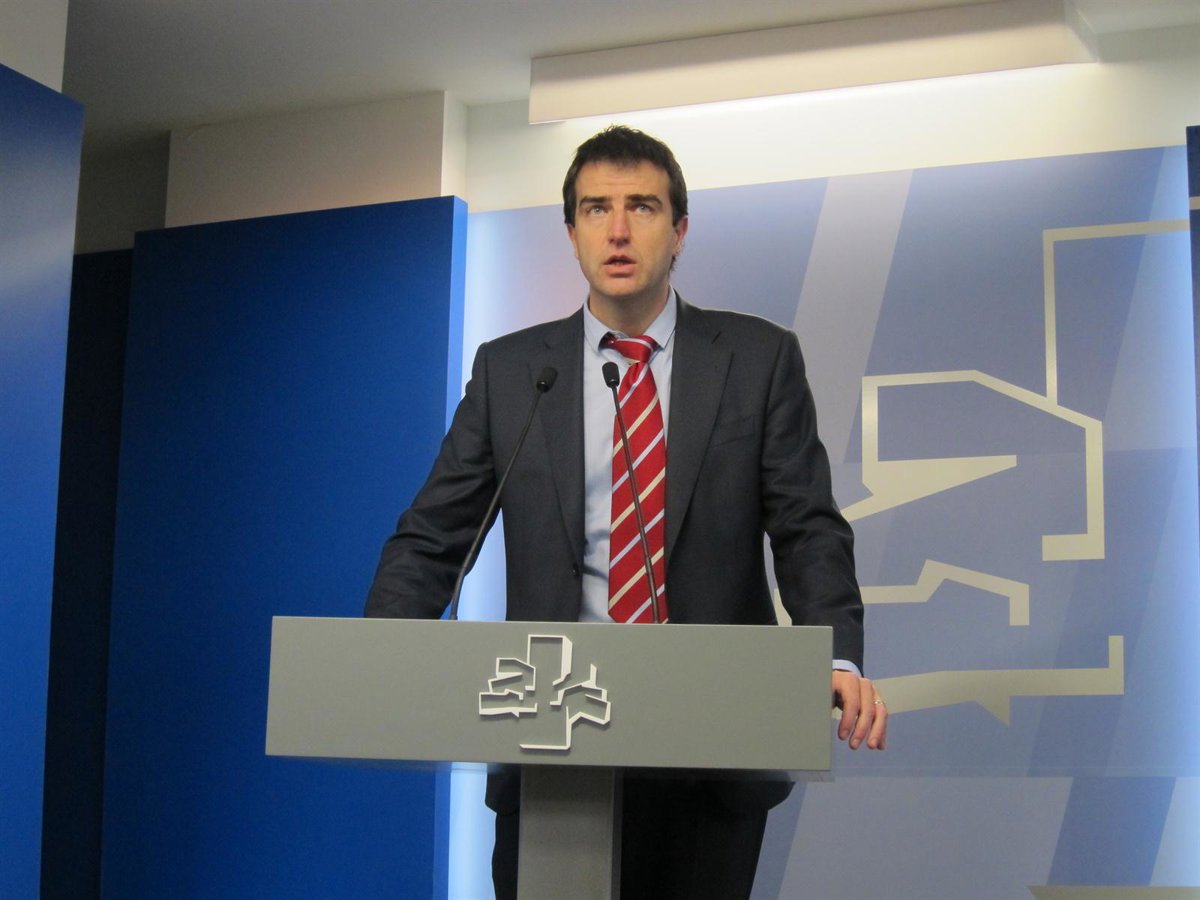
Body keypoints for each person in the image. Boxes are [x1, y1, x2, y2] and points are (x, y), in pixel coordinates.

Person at [366, 125, 887, 900]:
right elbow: (435, 533)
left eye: (641, 207)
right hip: (550, 732)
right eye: (595, 209)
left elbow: (807, 525)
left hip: (711, 741)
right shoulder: (513, 372)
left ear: (679, 230)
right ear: (571, 233)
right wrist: (379, 652)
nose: (617, 230)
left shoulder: (756, 360)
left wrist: (836, 656)